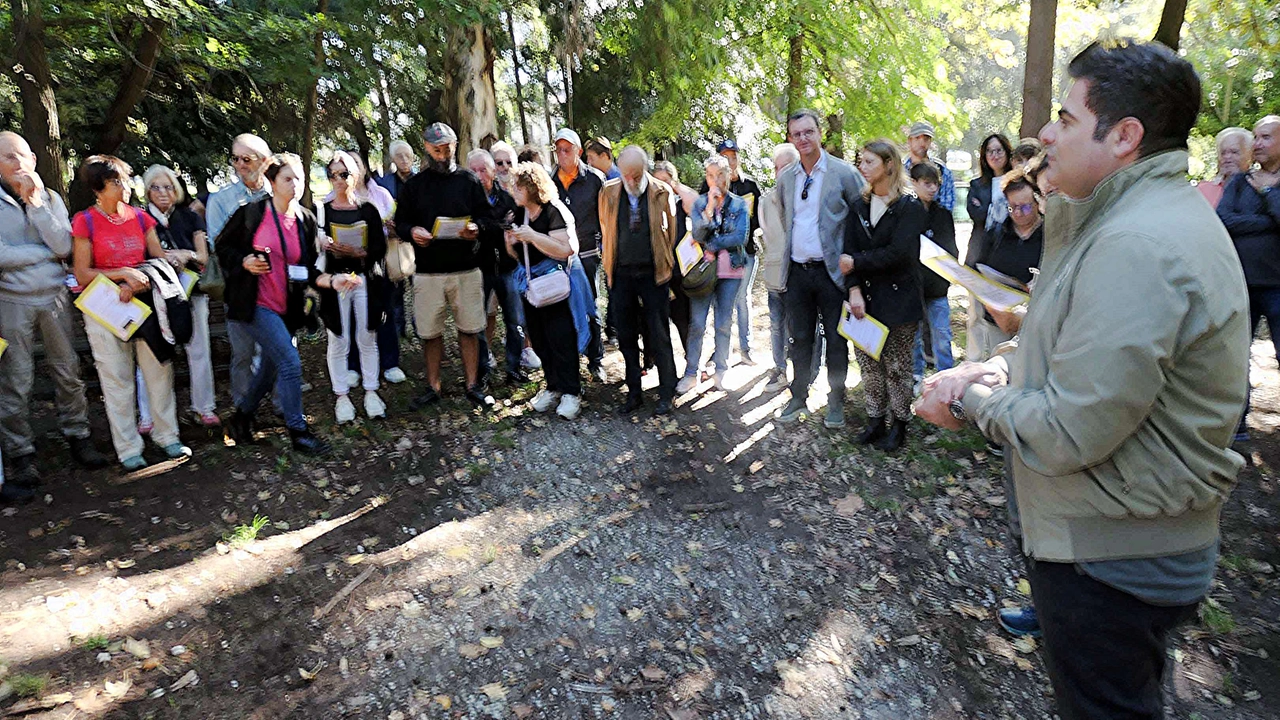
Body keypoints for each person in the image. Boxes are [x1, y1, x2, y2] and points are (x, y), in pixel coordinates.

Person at [917, 39, 1249, 720]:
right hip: (1117, 538)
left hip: (1114, 561)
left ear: (1125, 135)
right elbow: (1075, 352)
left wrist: (974, 399)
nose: (1044, 133)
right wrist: (997, 366)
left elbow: (1071, 428)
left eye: (1066, 119)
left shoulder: (1135, 244)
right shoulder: (1124, 223)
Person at [219, 153, 352, 455]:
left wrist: (333, 281)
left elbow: (306, 270)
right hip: (255, 304)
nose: (296, 184)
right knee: (290, 361)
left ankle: (240, 418)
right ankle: (298, 431)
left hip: (286, 308)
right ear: (271, 182)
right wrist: (244, 260)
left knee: (269, 368)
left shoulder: (305, 219)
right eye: (288, 179)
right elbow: (222, 246)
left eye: (300, 178)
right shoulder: (252, 214)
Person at [0, 132, 108, 501]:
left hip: (55, 299)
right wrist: (42, 254)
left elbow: (63, 246)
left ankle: (78, 436)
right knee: (16, 379)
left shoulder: (51, 199)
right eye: (9, 158)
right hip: (11, 302)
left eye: (24, 156)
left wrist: (37, 204)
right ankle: (21, 454)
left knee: (68, 371)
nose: (19, 165)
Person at [72, 155, 190, 470]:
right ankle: (128, 449)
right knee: (116, 380)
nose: (125, 186)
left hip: (145, 304)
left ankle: (168, 437)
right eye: (116, 181)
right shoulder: (85, 221)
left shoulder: (140, 219)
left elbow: (158, 261)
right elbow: (82, 273)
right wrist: (122, 274)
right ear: (98, 188)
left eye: (125, 179)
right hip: (103, 309)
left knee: (159, 371)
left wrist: (140, 280)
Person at [774, 109, 868, 427]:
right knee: (799, 338)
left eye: (808, 132)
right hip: (798, 272)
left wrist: (854, 271)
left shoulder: (843, 174)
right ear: (790, 138)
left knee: (837, 339)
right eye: (796, 134)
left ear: (819, 134)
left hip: (833, 274)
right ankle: (798, 397)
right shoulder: (787, 178)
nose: (803, 138)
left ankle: (836, 402)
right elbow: (788, 219)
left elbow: (860, 221)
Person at [394, 122, 495, 408]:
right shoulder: (414, 186)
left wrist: (476, 227)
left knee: (471, 328)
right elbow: (401, 223)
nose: (441, 155)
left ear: (455, 146)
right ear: (426, 148)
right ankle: (433, 386)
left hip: (466, 269)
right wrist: (412, 232)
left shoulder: (469, 181)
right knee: (429, 332)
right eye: (436, 149)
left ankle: (473, 385)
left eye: (446, 148)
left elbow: (489, 219)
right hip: (428, 271)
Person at [843, 140, 926, 450]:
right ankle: (875, 419)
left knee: (897, 366)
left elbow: (900, 253)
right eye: (860, 161)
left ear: (889, 165)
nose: (862, 167)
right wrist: (853, 289)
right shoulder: (857, 204)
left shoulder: (909, 206)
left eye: (869, 162)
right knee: (868, 364)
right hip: (863, 299)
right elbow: (847, 249)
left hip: (899, 298)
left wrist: (858, 262)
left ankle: (900, 422)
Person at [600, 146, 678, 415]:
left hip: (654, 273)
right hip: (621, 273)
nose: (630, 181)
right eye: (626, 175)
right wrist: (609, 267)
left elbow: (671, 231)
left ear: (644, 170)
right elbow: (606, 229)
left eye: (635, 175)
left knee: (658, 332)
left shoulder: (661, 192)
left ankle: (667, 391)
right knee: (626, 334)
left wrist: (666, 265)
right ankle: (634, 392)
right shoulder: (609, 192)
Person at [1217, 115, 1280, 442]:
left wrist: (1270, 195)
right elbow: (1223, 219)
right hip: (1240, 285)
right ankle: (1237, 427)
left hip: (1278, 286)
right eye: (1255, 137)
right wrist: (1269, 221)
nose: (1257, 143)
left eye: (1266, 137)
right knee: (1236, 358)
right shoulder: (1240, 183)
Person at [506, 162, 585, 420]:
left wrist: (532, 237)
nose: (513, 190)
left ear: (532, 187)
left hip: (553, 285)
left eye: (519, 186)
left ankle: (572, 392)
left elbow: (567, 249)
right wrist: (512, 242)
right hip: (529, 285)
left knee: (561, 337)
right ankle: (553, 386)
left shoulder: (553, 211)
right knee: (539, 337)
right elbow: (515, 254)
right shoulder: (518, 214)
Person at [142, 164, 219, 427]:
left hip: (191, 292)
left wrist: (185, 255)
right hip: (155, 295)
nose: (163, 193)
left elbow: (202, 256)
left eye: (168, 187)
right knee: (154, 354)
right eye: (156, 187)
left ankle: (204, 407)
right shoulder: (141, 218)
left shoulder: (189, 217)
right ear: (147, 191)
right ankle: (149, 414)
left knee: (199, 350)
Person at [319, 150, 388, 423]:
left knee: (366, 337)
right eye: (333, 175)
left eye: (344, 174)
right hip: (334, 282)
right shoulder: (323, 211)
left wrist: (360, 252)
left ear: (355, 175)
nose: (339, 180)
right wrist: (328, 246)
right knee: (338, 339)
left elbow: (379, 249)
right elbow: (314, 253)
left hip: (363, 279)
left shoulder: (367, 209)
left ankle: (371, 392)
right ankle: (342, 396)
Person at [207, 134, 274, 410]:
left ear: (265, 162)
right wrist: (244, 261)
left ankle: (283, 406)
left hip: (275, 284)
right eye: (235, 158)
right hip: (239, 286)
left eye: (247, 159)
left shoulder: (278, 193)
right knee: (243, 353)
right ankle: (244, 408)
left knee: (279, 349)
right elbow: (217, 244)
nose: (240, 165)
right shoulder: (222, 200)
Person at [678, 154, 749, 393]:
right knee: (697, 323)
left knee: (723, 323)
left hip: (731, 271)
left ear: (729, 175)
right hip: (703, 273)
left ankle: (721, 371)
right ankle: (691, 373)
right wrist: (709, 209)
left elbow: (740, 237)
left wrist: (713, 245)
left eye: (720, 174)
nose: (716, 180)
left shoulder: (739, 204)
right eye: (710, 175)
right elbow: (697, 234)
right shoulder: (699, 203)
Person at [466, 148, 532, 386]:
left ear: (493, 171)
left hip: (508, 268)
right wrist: (497, 226)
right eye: (473, 170)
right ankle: (483, 371)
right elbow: (475, 229)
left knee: (515, 322)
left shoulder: (507, 198)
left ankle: (513, 368)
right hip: (478, 270)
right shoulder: (466, 202)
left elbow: (516, 227)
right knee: (479, 323)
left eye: (483, 169)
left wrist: (488, 227)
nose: (479, 175)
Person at [759, 142, 820, 394]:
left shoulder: (809, 199)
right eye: (776, 167)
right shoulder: (765, 202)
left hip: (803, 276)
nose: (780, 172)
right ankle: (779, 369)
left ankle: (807, 374)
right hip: (775, 275)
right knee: (776, 325)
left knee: (803, 328)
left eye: (786, 167)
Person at [968, 168, 1044, 362]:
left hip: (1035, 320)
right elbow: (979, 267)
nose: (1018, 213)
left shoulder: (1049, 235)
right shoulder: (996, 234)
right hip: (997, 321)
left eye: (1025, 207)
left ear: (1037, 203)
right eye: (1012, 207)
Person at [699, 139, 763, 366]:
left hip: (745, 253)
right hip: (717, 258)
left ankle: (746, 349)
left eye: (733, 156)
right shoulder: (707, 187)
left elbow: (757, 222)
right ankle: (720, 351)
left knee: (741, 298)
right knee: (721, 303)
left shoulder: (751, 187)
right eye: (725, 157)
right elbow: (701, 221)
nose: (730, 161)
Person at [551, 129, 607, 380]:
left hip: (587, 254)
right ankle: (568, 362)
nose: (562, 155)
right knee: (561, 309)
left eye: (567, 149)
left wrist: (606, 251)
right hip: (557, 257)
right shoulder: (548, 181)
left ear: (579, 152)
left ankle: (596, 360)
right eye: (558, 150)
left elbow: (606, 219)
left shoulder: (595, 180)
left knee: (590, 306)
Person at [909, 162, 957, 385]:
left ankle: (946, 376)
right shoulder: (906, 213)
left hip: (937, 286)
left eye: (935, 184)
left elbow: (951, 249)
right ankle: (916, 375)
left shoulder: (943, 215)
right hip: (912, 286)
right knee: (915, 335)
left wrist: (948, 276)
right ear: (914, 183)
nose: (932, 189)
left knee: (942, 334)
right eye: (927, 184)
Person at [650, 161, 697, 355]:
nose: (661, 186)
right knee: (656, 323)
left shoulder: (680, 204)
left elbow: (697, 204)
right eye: (657, 181)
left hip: (680, 272)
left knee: (683, 319)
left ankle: (692, 361)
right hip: (657, 272)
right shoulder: (649, 206)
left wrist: (675, 186)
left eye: (665, 181)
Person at [965, 133, 1014, 267]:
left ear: (1007, 152)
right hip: (980, 250)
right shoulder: (976, 185)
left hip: (1009, 247)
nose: (994, 155)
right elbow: (977, 215)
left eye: (999, 150)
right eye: (989, 151)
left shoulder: (1016, 183)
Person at [903, 121, 955, 211]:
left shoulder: (942, 170)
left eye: (926, 138)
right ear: (909, 140)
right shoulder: (899, 170)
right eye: (917, 138)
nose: (922, 143)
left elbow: (947, 207)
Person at [1198, 127, 1253, 209]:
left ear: (1250, 155)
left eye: (1234, 152)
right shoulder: (1202, 190)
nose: (1227, 157)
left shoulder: (1259, 188)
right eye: (1223, 153)